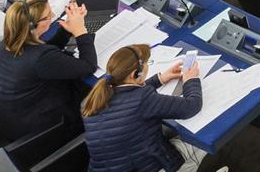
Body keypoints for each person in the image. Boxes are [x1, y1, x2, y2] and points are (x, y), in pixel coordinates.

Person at [0, 0, 98, 155]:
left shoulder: (10, 41)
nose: (53, 16)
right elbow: (88, 66)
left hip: (15, 121)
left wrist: (65, 30)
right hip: (42, 129)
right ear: (35, 25)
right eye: (48, 16)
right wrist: (81, 31)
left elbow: (46, 52)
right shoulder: (41, 58)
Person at [76, 43, 207, 172]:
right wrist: (191, 79)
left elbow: (127, 95)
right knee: (206, 145)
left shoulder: (91, 101)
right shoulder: (143, 99)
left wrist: (159, 79)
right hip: (155, 166)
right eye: (146, 64)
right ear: (135, 74)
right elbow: (192, 106)